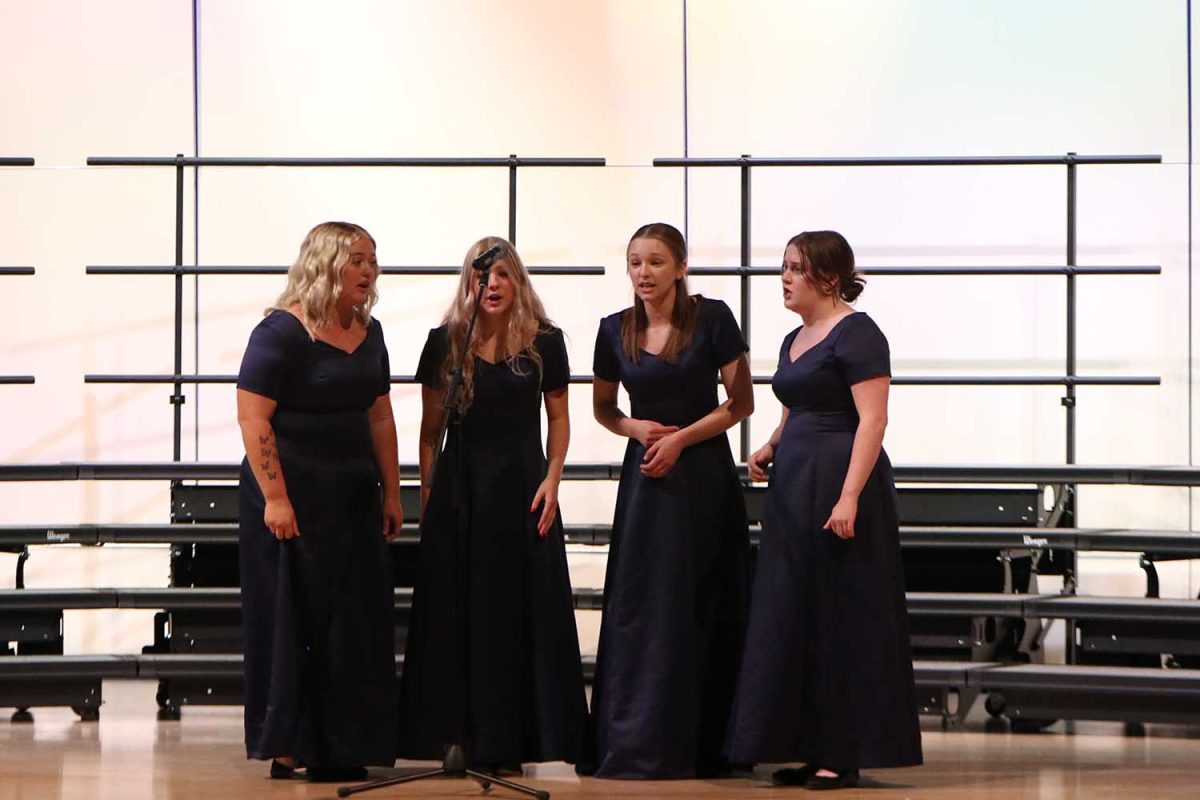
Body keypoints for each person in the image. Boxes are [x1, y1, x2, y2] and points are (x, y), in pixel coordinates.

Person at [725, 230, 922, 790]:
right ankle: (807, 744)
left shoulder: (859, 334)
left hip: (840, 482)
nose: (784, 278)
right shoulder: (795, 336)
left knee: (841, 616)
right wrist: (771, 444)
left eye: (795, 269)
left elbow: (873, 421)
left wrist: (851, 495)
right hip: (795, 486)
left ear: (829, 278)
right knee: (793, 613)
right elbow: (795, 407)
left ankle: (844, 749)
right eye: (782, 268)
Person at [398, 236, 587, 771]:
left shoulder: (545, 343)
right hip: (462, 491)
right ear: (469, 283)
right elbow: (430, 432)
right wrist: (430, 495)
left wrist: (554, 480)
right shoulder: (446, 343)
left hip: (524, 489)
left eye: (504, 275)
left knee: (516, 613)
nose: (494, 285)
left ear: (518, 281)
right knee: (461, 613)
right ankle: (461, 737)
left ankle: (514, 740)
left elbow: (559, 420)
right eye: (484, 277)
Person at [584, 222, 754, 779]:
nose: (643, 273)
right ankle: (636, 740)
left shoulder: (713, 319)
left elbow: (741, 403)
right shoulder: (614, 330)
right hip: (648, 479)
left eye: (655, 262)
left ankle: (705, 743)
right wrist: (636, 431)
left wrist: (681, 437)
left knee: (702, 599)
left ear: (680, 267)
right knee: (644, 605)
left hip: (702, 473)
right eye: (635, 262)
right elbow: (605, 410)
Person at [236, 221, 402, 782]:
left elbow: (379, 413)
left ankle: (342, 742)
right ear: (327, 262)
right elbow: (253, 415)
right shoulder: (281, 332)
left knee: (352, 620)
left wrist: (392, 490)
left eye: (372, 260)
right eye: (357, 259)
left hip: (352, 495)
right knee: (293, 618)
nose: (368, 270)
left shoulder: (369, 331)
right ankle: (290, 743)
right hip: (294, 495)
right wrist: (275, 497)